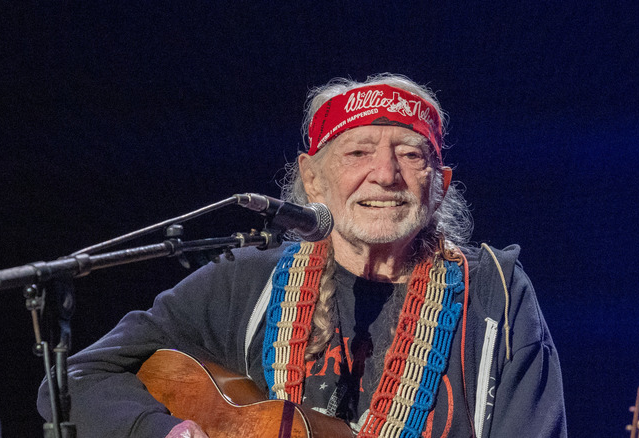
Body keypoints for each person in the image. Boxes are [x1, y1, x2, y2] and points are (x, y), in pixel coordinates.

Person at [38, 73, 567, 437]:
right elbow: (75, 380)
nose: (385, 174)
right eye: (358, 152)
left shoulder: (497, 294)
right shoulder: (246, 280)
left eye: (411, 155)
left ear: (441, 186)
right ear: (312, 177)